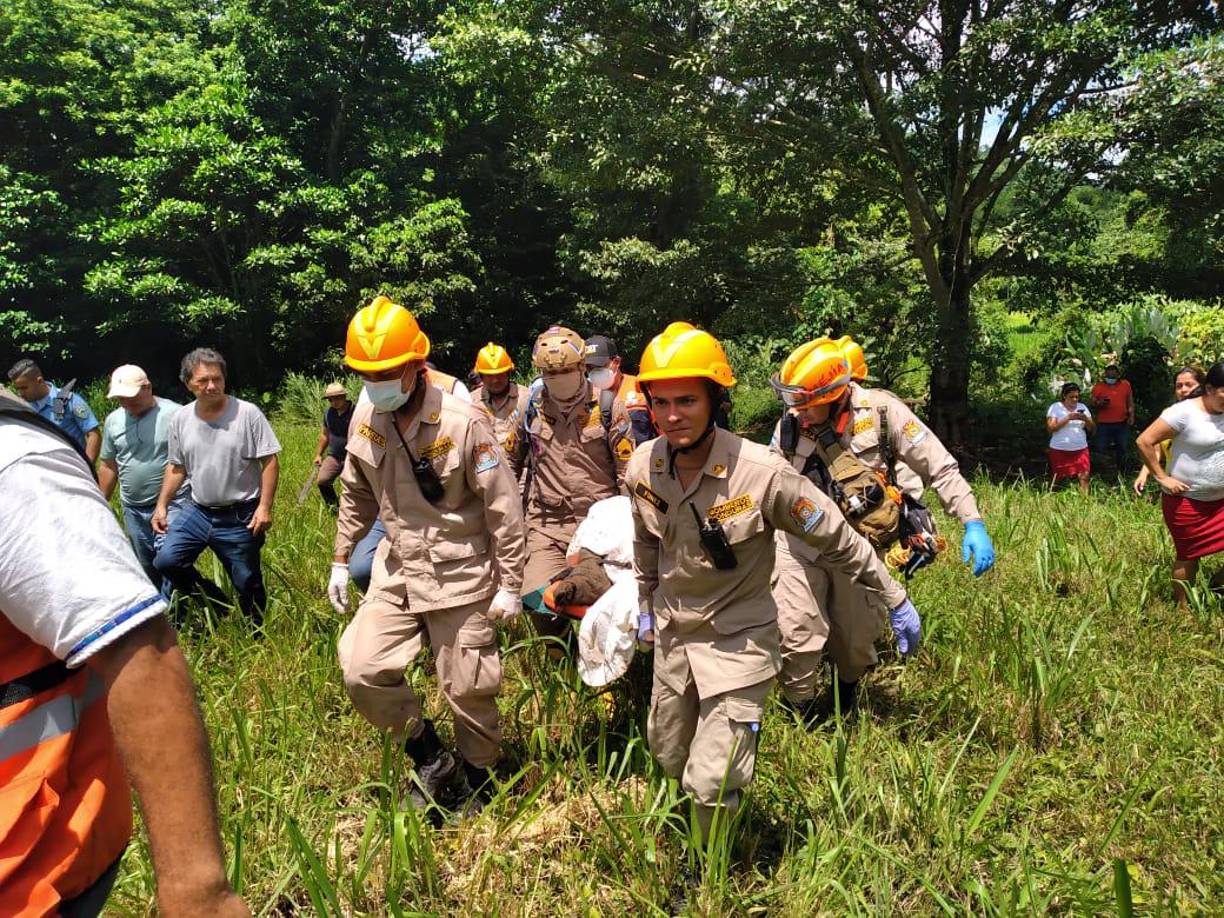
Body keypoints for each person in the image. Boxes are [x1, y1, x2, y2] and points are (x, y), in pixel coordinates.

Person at [626, 322, 919, 841]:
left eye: (687, 400)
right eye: (661, 402)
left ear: (715, 400)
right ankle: (691, 828)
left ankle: (707, 869)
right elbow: (646, 543)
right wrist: (646, 604)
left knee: (713, 780)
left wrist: (894, 598)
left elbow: (838, 538)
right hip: (675, 639)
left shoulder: (762, 474)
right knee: (669, 754)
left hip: (739, 643)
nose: (672, 416)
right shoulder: (644, 468)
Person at [0, 388, 247, 917]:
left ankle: (237, 612)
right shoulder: (116, 420)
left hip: (28, 860)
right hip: (140, 509)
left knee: (229, 577)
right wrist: (110, 497)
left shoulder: (14, 463)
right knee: (162, 567)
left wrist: (198, 892)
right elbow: (110, 459)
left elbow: (135, 642)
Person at [327, 296, 525, 812]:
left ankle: (480, 776)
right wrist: (340, 558)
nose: (376, 383)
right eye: (366, 374)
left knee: (469, 687)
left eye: (387, 372)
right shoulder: (366, 417)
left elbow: (504, 505)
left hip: (461, 570)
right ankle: (431, 756)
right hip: (399, 567)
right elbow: (356, 493)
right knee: (361, 667)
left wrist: (510, 584)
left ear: (417, 365)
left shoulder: (462, 422)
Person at [769, 337, 994, 723]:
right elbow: (769, 479)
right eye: (793, 402)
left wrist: (972, 521)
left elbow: (939, 467)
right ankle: (800, 713)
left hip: (859, 548)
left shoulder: (882, 413)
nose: (797, 412)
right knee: (796, 633)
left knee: (855, 641)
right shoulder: (791, 423)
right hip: (799, 544)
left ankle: (844, 699)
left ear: (835, 395)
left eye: (806, 403)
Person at [515, 325, 635, 650]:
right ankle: (561, 656)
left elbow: (627, 473)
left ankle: (602, 658)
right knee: (536, 597)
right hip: (547, 524)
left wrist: (628, 529)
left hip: (598, 527)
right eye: (550, 373)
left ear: (582, 366)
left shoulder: (608, 406)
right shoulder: (530, 407)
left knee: (601, 599)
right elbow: (511, 463)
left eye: (566, 370)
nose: (559, 378)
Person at [152, 348, 281, 627]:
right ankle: (215, 601)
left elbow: (269, 461)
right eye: (203, 380)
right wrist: (162, 505)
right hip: (198, 511)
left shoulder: (247, 413)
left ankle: (256, 632)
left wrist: (264, 507)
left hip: (240, 514)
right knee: (166, 561)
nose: (211, 386)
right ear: (188, 384)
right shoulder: (181, 419)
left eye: (217, 379)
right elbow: (176, 467)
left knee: (247, 581)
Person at [348, 356, 473, 592]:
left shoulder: (454, 396)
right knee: (362, 568)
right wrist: (339, 559)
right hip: (389, 507)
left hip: (443, 509)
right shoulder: (370, 404)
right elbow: (355, 485)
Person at [1136, 362, 1224, 605]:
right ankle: (1183, 610)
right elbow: (1144, 441)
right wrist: (1162, 477)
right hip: (1187, 502)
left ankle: (1217, 587)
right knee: (1188, 555)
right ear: (1209, 389)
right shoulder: (1183, 413)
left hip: (1221, 501)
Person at [97, 364, 189, 593]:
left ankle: (175, 609)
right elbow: (108, 465)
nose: (127, 403)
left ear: (147, 388)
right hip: (133, 508)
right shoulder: (113, 421)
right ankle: (161, 605)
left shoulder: (176, 415)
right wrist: (98, 503)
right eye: (121, 399)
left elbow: (190, 460)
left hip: (173, 502)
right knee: (147, 565)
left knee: (167, 558)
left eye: (132, 397)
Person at [7, 357, 102, 462]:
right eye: (17, 389)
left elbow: (93, 434)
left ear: (39, 381)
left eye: (24, 388)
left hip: (71, 466)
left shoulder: (69, 400)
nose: (20, 393)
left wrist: (87, 466)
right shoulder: (22, 407)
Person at [1134, 367, 1206, 496]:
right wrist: (1145, 473)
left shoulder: (1214, 416)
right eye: (1179, 386)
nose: (1183, 390)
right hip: (1177, 489)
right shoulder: (1169, 415)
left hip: (1211, 491)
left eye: (1189, 385)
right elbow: (1156, 449)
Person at [470, 341, 532, 478]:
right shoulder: (470, 403)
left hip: (522, 477)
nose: (495, 380)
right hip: (484, 477)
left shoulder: (526, 399)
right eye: (489, 376)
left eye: (500, 374)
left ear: (508, 372)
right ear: (481, 375)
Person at [585, 334, 654, 446]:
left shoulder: (640, 388)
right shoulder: (586, 399)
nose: (594, 372)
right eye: (590, 368)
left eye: (600, 366)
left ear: (616, 362)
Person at [1046, 383, 1094, 495]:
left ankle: (1085, 501)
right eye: (1071, 397)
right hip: (1059, 448)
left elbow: (1092, 428)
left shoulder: (1082, 407)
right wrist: (1068, 418)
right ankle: (1050, 496)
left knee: (1084, 476)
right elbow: (1051, 428)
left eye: (1077, 397)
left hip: (1080, 448)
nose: (1075, 399)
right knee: (1057, 477)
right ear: (1064, 396)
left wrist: (1086, 419)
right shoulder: (1056, 407)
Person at [313, 383, 354, 508]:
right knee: (323, 480)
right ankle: (334, 508)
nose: (333, 402)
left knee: (352, 486)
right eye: (330, 399)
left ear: (344, 396)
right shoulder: (328, 413)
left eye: (336, 398)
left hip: (353, 456)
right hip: (334, 456)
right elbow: (324, 435)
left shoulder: (356, 411)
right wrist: (319, 455)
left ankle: (351, 511)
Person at [1090, 363, 1135, 471]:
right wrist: (1100, 403)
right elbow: (1092, 402)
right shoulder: (1099, 387)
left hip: (1121, 422)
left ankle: (1122, 471)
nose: (1111, 378)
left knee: (1122, 447)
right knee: (1101, 447)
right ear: (1105, 375)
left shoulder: (1125, 385)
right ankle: (1101, 471)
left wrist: (1131, 415)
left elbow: (1130, 401)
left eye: (1113, 376)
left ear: (1118, 375)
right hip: (1103, 423)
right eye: (1109, 376)